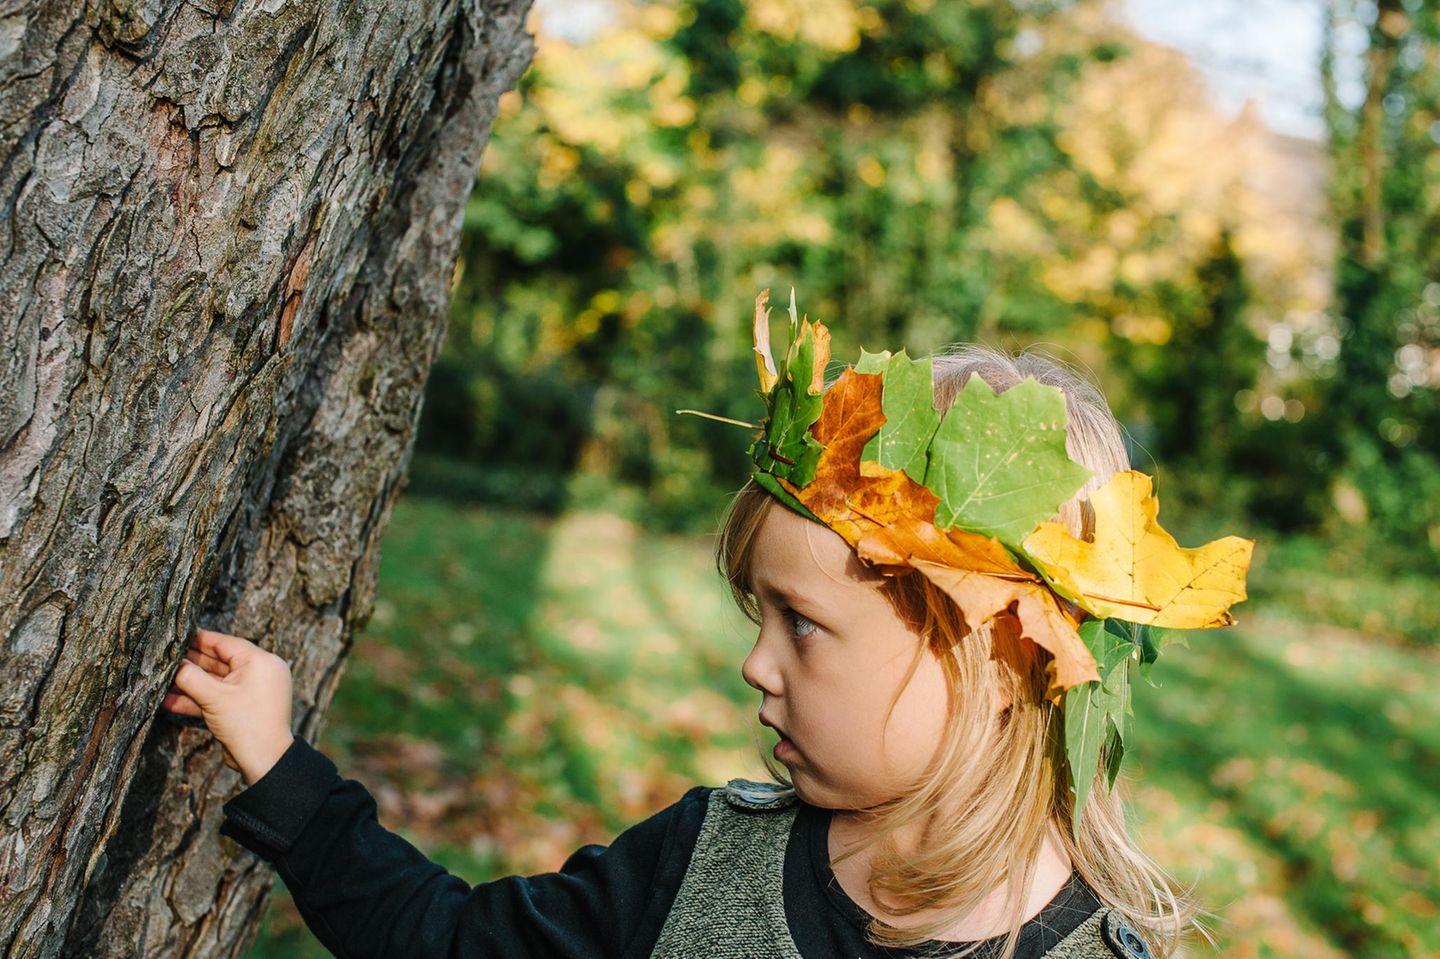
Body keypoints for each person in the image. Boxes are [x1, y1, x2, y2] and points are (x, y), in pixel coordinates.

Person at [163, 294, 1251, 958]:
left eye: (804, 624)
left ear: (1002, 649)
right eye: (758, 613)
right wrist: (281, 765)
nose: (755, 663)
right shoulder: (702, 863)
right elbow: (451, 943)